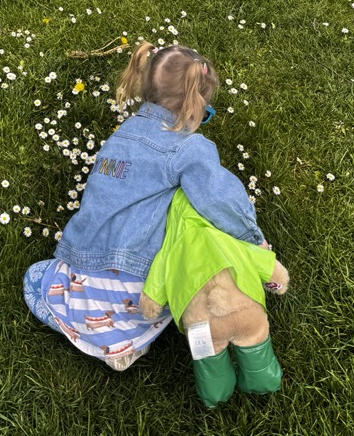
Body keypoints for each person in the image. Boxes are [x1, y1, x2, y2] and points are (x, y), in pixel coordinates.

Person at [23, 42, 270, 372]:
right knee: (190, 231)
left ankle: (92, 331)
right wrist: (253, 239)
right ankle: (124, 341)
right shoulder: (188, 147)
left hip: (82, 266)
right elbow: (220, 200)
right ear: (193, 108)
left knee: (33, 278)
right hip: (139, 292)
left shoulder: (121, 135)